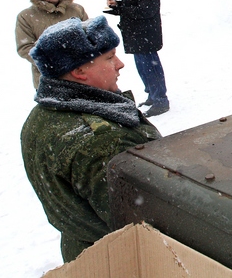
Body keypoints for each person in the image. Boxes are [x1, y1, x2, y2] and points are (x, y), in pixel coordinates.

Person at [20, 16, 161, 262]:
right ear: (79, 71)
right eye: (109, 58)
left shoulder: (43, 113)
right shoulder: (103, 141)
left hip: (85, 252)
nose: (120, 64)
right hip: (123, 259)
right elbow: (148, 222)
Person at [105, 0, 170, 116]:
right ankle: (152, 96)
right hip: (137, 36)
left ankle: (160, 100)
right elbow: (133, 6)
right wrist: (118, 6)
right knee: (143, 69)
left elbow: (146, 11)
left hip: (145, 35)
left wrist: (122, 8)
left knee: (151, 68)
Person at [16, 0, 89, 88]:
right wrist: (52, 62)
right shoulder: (26, 16)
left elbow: (90, 36)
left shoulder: (76, 9)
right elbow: (25, 47)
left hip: (81, 76)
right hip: (49, 81)